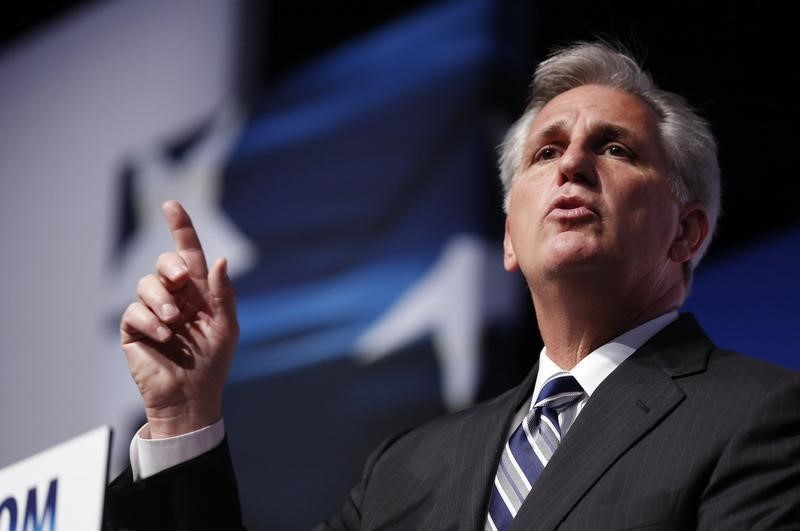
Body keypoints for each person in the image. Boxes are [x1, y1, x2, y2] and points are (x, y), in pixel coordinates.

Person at [105, 41, 800, 530]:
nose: (573, 165)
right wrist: (184, 416)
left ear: (685, 233)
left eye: (615, 148)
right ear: (507, 239)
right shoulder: (406, 465)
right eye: (547, 150)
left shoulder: (761, 416)